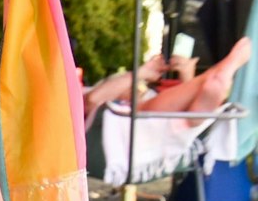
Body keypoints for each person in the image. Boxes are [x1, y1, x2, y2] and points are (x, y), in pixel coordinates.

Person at [81, 37, 252, 191]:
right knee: (167, 114)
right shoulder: (101, 102)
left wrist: (185, 72)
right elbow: (94, 98)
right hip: (125, 132)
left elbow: (197, 96)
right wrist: (142, 73)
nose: (138, 88)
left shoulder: (153, 94)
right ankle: (224, 70)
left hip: (169, 134)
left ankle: (221, 73)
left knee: (186, 118)